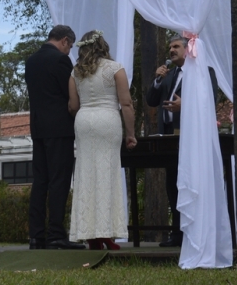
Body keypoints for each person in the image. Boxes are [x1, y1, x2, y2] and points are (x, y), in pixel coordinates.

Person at [67, 30, 137, 250]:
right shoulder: (115, 68)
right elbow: (126, 104)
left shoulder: (75, 72)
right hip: (108, 120)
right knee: (108, 172)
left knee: (86, 174)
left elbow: (73, 106)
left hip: (85, 121)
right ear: (103, 45)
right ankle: (105, 232)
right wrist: (131, 134)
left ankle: (91, 235)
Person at [25, 25, 85, 250]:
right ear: (65, 41)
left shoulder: (31, 61)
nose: (69, 51)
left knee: (40, 181)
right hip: (59, 128)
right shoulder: (61, 61)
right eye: (69, 47)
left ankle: (36, 235)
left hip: (38, 128)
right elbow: (69, 94)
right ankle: (57, 234)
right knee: (59, 180)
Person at [145, 35, 187, 247]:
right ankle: (177, 233)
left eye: (176, 46)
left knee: (188, 183)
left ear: (188, 49)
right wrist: (157, 80)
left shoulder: (203, 72)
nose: (171, 50)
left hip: (190, 136)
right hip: (169, 136)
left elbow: (210, 101)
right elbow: (152, 101)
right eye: (170, 47)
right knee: (172, 183)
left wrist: (185, 106)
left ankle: (192, 231)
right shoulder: (169, 75)